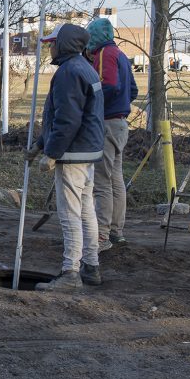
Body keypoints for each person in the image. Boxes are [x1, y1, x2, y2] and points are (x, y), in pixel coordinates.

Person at [26, 23, 105, 292]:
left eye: (52, 43)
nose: (49, 47)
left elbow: (67, 120)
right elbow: (62, 117)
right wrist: (39, 144)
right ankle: (91, 267)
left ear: (65, 45)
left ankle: (70, 273)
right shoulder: (84, 68)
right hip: (87, 151)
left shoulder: (68, 73)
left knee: (70, 213)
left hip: (72, 153)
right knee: (85, 211)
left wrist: (52, 153)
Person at [86, 17, 139, 251]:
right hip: (120, 124)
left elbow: (109, 85)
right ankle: (117, 231)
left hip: (106, 123)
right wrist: (121, 104)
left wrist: (90, 102)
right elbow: (132, 90)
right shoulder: (120, 54)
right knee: (116, 180)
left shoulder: (104, 54)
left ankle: (102, 236)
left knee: (103, 183)